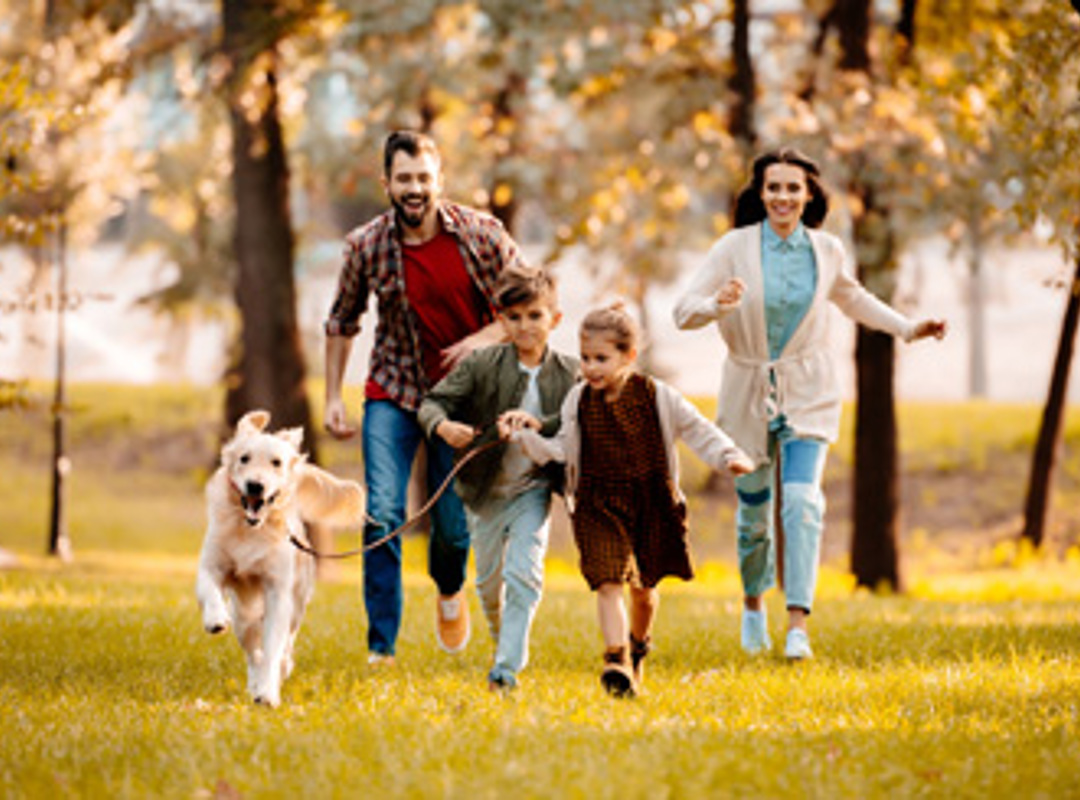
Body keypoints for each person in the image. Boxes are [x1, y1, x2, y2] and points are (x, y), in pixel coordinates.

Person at [673, 147, 947, 660]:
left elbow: (854, 299)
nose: (782, 196)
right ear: (760, 193)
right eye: (773, 187)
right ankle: (754, 604)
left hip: (809, 390)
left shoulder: (826, 250)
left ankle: (798, 624)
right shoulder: (733, 247)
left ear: (808, 195)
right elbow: (681, 312)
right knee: (754, 515)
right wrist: (716, 306)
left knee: (801, 503)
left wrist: (909, 328)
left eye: (792, 188)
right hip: (747, 389)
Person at [323, 130, 528, 665]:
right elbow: (342, 321)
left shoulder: (484, 236)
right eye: (404, 179)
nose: (414, 189)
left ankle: (448, 589)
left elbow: (532, 305)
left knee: (453, 531)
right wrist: (331, 397)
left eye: (423, 178)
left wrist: (480, 340)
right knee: (384, 512)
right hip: (394, 391)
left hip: (464, 402)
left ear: (439, 180)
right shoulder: (366, 245)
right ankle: (381, 648)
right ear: (386, 182)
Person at [513, 303, 754, 698]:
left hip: (650, 501)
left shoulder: (658, 396)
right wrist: (528, 440)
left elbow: (697, 428)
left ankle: (638, 647)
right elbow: (562, 447)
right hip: (597, 502)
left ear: (629, 356)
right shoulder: (578, 399)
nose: (590, 368)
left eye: (602, 359)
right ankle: (616, 659)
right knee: (608, 581)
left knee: (643, 590)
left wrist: (728, 456)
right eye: (586, 358)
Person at [418, 266, 579, 692]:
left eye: (535, 316)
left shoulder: (570, 373)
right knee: (489, 585)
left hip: (534, 490)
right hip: (485, 492)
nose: (524, 326)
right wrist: (443, 427)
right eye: (514, 317)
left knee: (524, 574)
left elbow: (574, 422)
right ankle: (500, 638)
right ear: (501, 320)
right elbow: (433, 402)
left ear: (554, 320)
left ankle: (505, 672)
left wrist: (537, 424)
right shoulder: (482, 364)